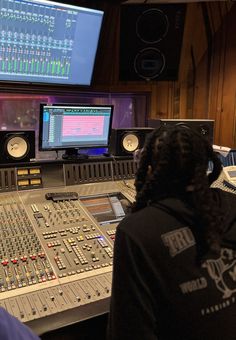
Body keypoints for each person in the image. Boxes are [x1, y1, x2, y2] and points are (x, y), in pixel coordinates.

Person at [107, 125, 236, 340]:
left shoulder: (136, 231)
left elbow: (128, 331)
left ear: (149, 171)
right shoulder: (232, 203)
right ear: (204, 166)